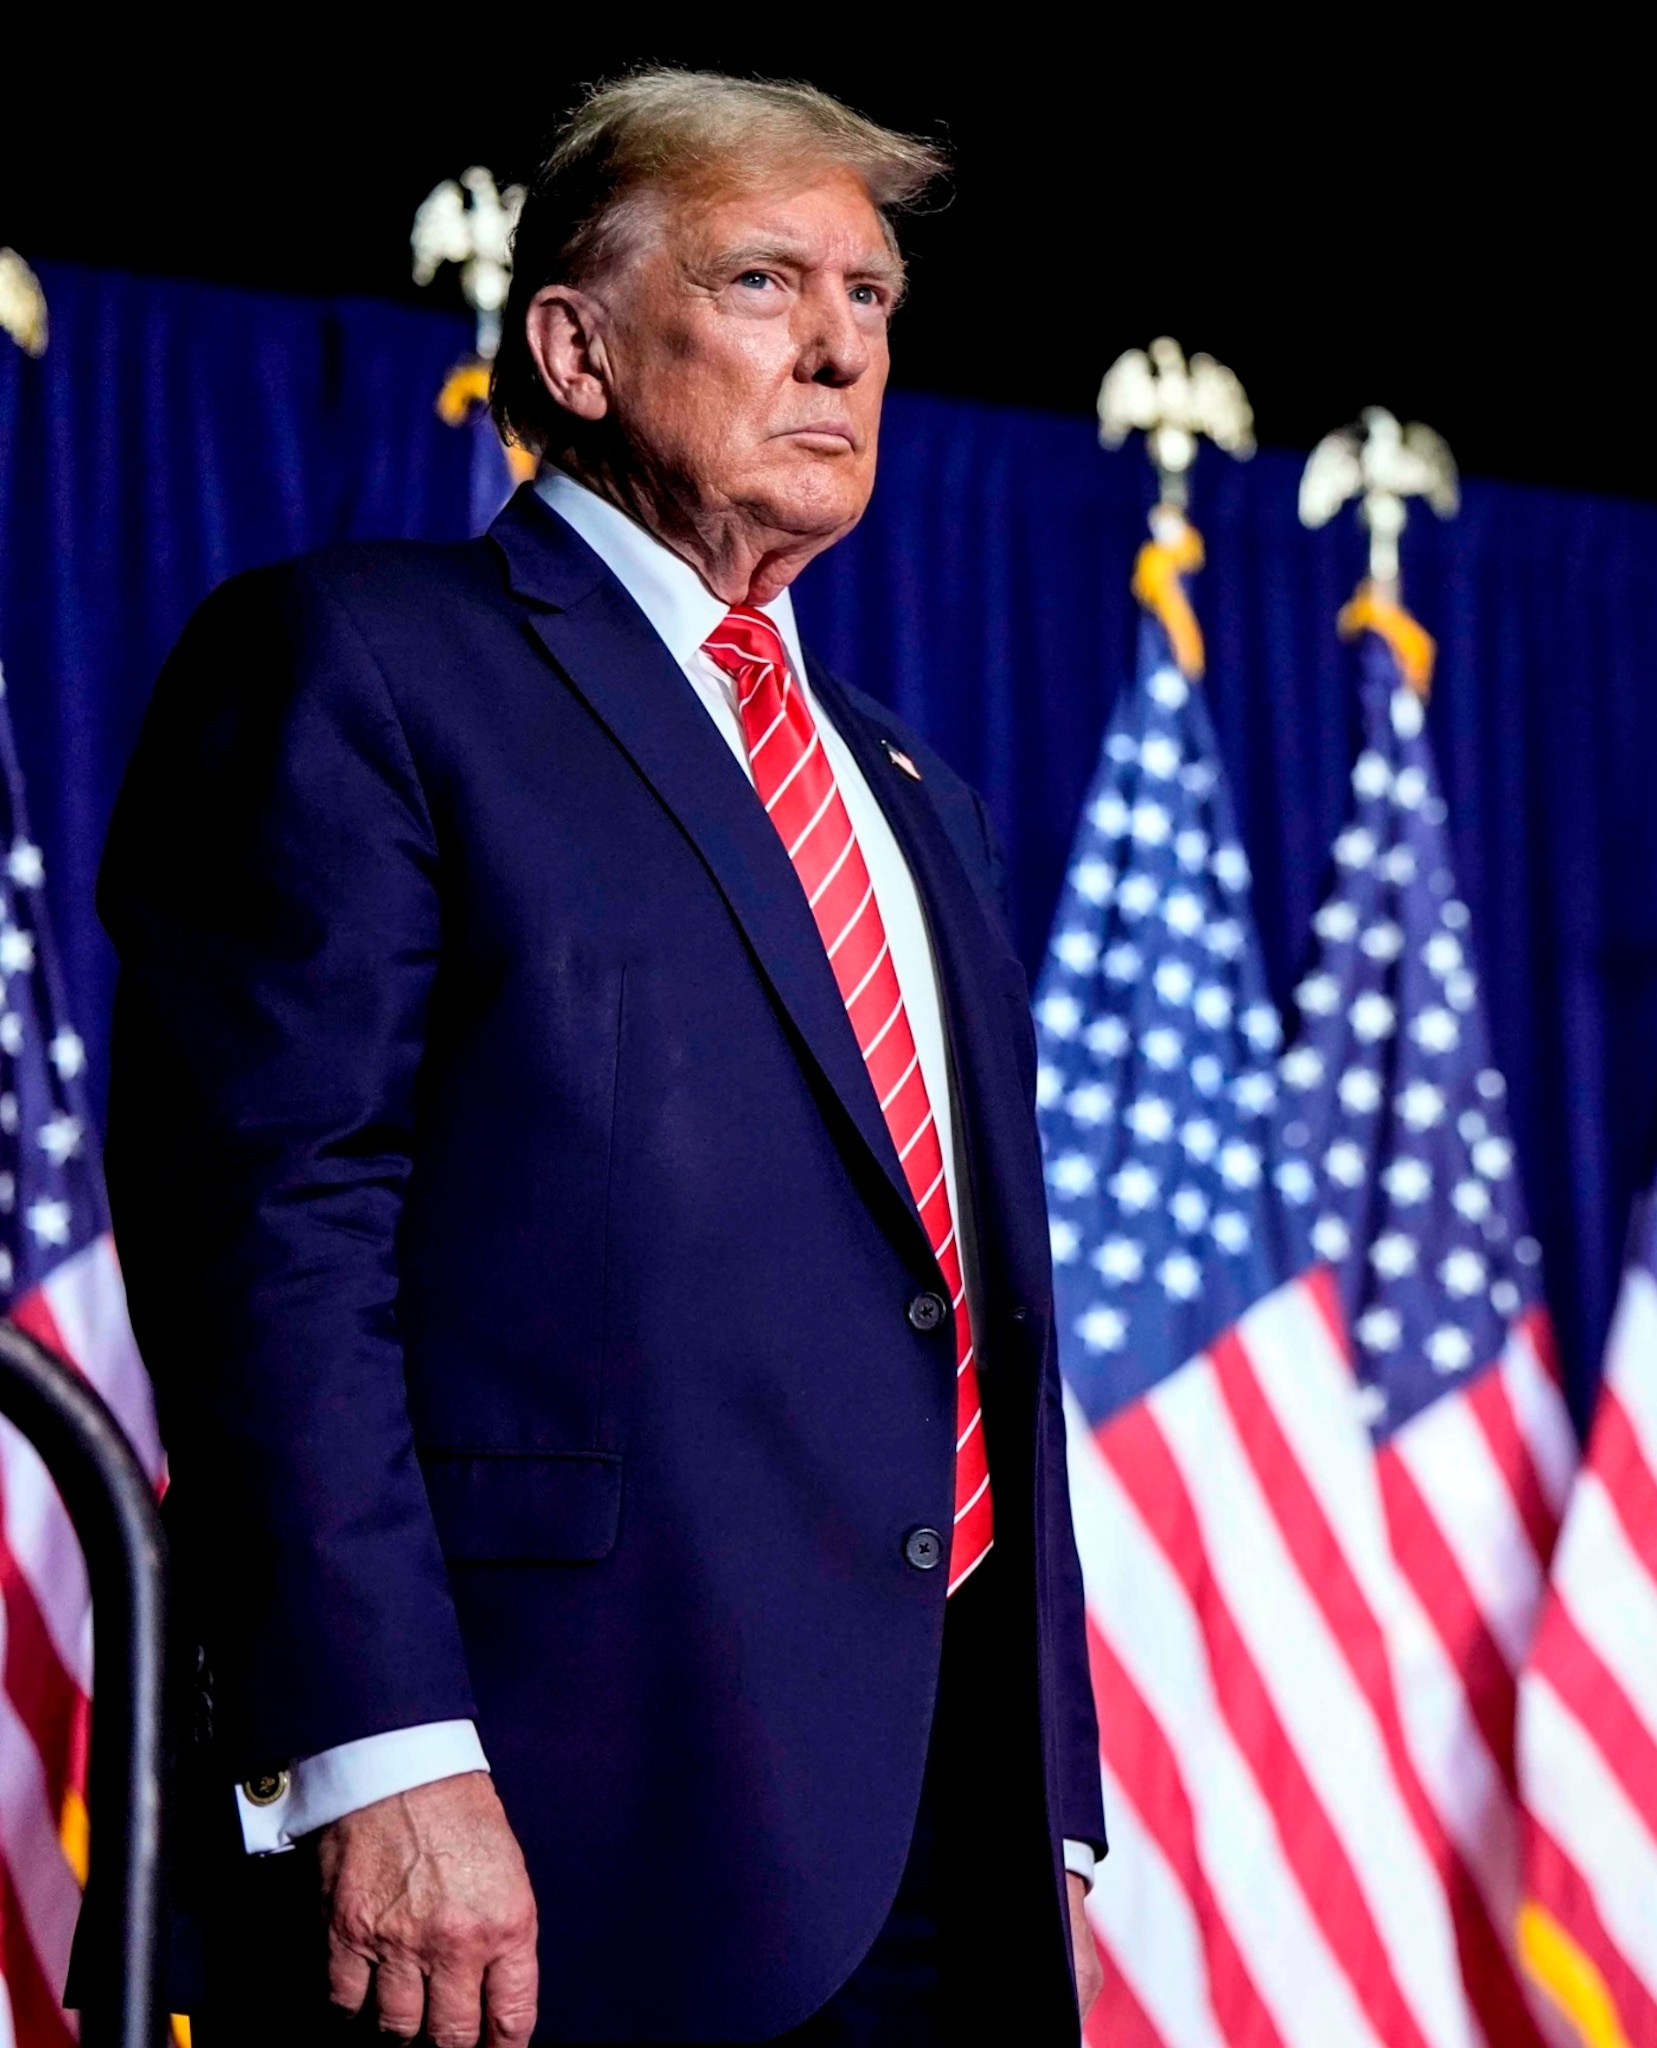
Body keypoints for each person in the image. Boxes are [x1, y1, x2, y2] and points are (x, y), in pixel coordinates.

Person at [98, 69, 1101, 2045]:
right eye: (763, 280)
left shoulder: (908, 788)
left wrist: (1036, 1793)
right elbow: (270, 1242)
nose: (840, 344)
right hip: (539, 1836)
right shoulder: (363, 662)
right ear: (573, 345)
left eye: (874, 298)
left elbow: (948, 1308)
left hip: (922, 1841)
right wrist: (378, 1747)